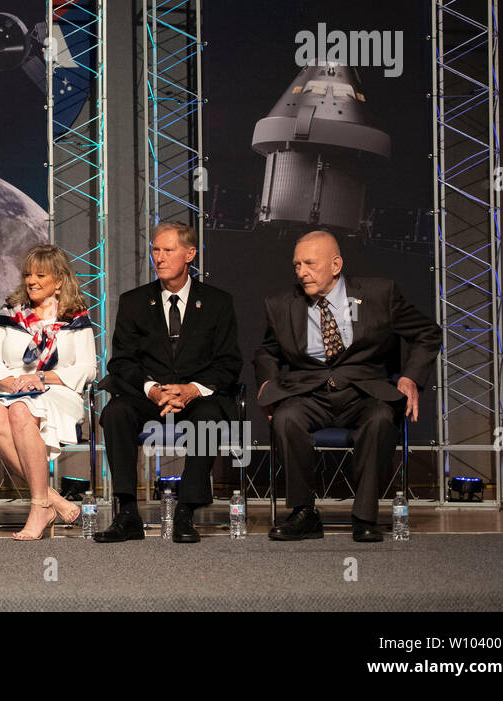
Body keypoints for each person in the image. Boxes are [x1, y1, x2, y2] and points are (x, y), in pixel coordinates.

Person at [257, 229, 440, 542]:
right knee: (286, 419)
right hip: (308, 393)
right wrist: (266, 384)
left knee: (382, 419)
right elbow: (267, 351)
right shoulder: (280, 304)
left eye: (310, 264)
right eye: (297, 265)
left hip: (363, 393)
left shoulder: (379, 294)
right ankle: (303, 513)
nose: (302, 272)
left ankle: (365, 515)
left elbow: (428, 333)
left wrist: (409, 376)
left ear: (336, 265)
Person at [97, 221, 242, 543]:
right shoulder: (135, 301)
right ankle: (127, 512)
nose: (159, 258)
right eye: (155, 250)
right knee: (115, 413)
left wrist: (191, 391)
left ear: (190, 254)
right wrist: (153, 389)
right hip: (148, 395)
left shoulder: (218, 302)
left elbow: (229, 363)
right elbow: (121, 361)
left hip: (197, 397)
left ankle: (185, 512)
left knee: (208, 418)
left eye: (168, 250)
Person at [0, 244, 97, 540]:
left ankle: (39, 505)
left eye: (41, 274)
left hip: (57, 391)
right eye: (28, 274)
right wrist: (12, 383)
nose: (31, 280)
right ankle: (52, 499)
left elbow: (87, 369)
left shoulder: (75, 316)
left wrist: (40, 376)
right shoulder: (10, 313)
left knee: (21, 410)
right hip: (12, 390)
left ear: (59, 280)